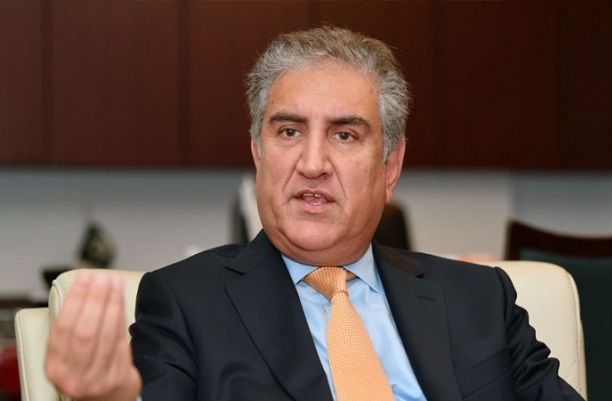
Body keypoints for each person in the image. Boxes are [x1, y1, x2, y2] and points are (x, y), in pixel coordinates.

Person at [44, 26, 584, 401]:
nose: (312, 163)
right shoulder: (185, 303)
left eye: (345, 135)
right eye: (289, 131)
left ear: (390, 165)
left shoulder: (479, 299)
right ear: (258, 152)